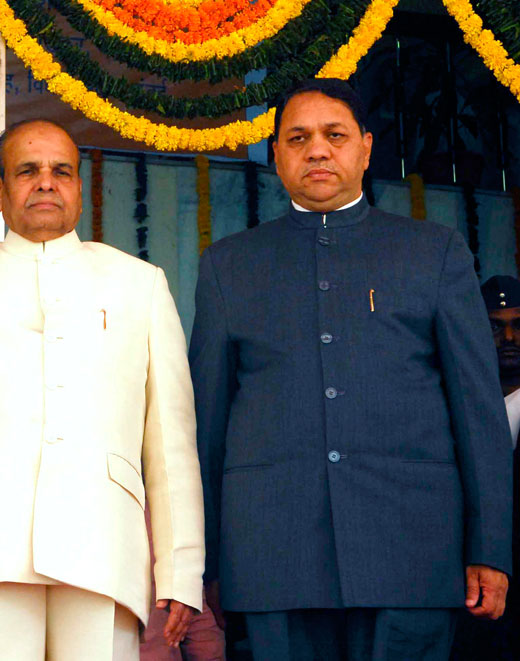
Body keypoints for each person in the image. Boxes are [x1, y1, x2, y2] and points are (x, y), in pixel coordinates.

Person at [189, 79, 513, 661]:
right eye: (298, 138)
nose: (317, 150)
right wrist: (205, 563)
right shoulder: (228, 267)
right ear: (277, 156)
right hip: (274, 556)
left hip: (411, 551)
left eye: (333, 135)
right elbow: (206, 428)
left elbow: (479, 413)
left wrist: (490, 547)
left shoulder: (433, 252)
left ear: (364, 148)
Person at [0, 119, 205, 661]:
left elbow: (171, 445)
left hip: (103, 546)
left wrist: (181, 570)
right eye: (27, 171)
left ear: (80, 189)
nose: (45, 183)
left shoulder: (139, 284)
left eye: (61, 171)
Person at [450, 275, 520, 659]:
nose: (508, 339)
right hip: (472, 606)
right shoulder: (447, 410)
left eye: (518, 325)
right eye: (495, 326)